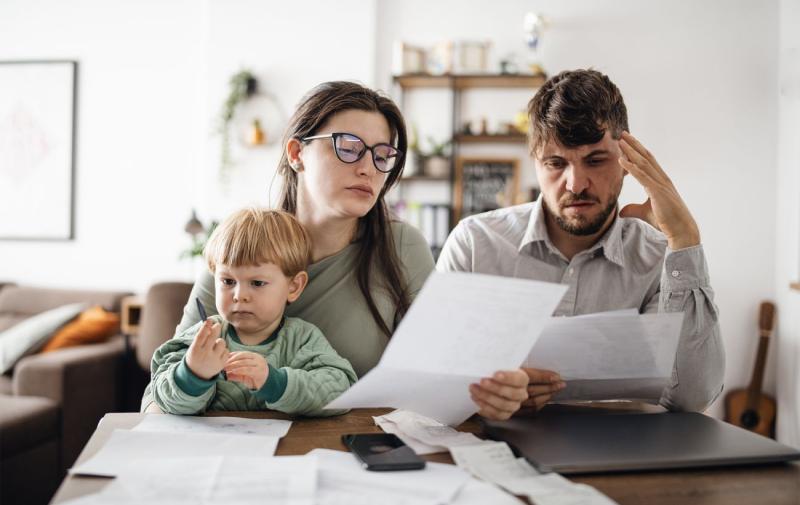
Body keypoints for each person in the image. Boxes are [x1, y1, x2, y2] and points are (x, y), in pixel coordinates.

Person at [142, 81, 528, 420]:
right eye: (348, 147)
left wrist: (492, 390)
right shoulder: (240, 249)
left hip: (354, 449)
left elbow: (441, 378)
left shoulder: (402, 247)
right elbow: (160, 392)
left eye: (382, 155)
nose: (368, 169)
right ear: (296, 153)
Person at [437, 69, 724, 413]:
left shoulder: (661, 259)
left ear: (627, 162)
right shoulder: (474, 244)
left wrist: (684, 238)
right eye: (556, 163)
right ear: (536, 166)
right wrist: (489, 394)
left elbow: (692, 398)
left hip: (623, 453)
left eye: (596, 160)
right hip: (494, 446)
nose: (576, 184)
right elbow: (435, 378)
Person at [150, 208, 357, 416]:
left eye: (257, 283)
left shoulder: (302, 339)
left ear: (294, 287)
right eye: (228, 281)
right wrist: (192, 374)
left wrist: (275, 382)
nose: (239, 295)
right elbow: (160, 396)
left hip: (283, 446)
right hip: (212, 447)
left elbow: (340, 391)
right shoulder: (202, 338)